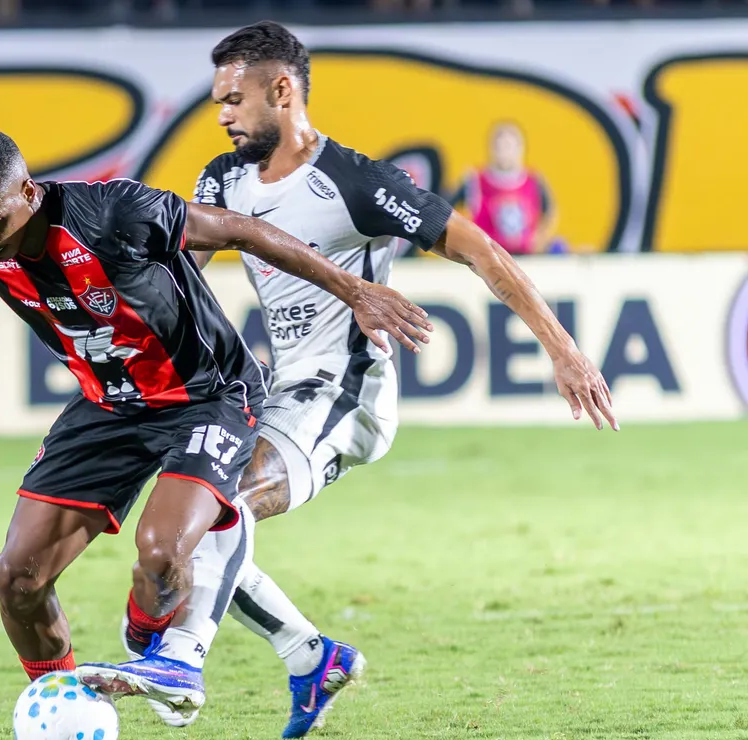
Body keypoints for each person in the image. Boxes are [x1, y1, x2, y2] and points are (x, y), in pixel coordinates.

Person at [75, 21, 618, 738]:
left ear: (282, 90)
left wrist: (564, 350)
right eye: (216, 104)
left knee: (220, 500)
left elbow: (480, 249)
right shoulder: (222, 179)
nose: (224, 115)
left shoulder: (356, 182)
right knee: (196, 520)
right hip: (277, 390)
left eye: (233, 100)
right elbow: (183, 284)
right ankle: (311, 657)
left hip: (346, 395)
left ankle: (181, 662)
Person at [0, 129, 433, 687]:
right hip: (109, 408)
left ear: (28, 191)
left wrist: (353, 289)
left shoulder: (113, 213)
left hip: (207, 396)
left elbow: (241, 229)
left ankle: (147, 638)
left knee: (161, 550)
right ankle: (63, 704)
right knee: (17, 577)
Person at [454, 121, 560, 255]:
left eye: (509, 146)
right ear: (491, 148)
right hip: (489, 258)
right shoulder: (474, 180)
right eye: (500, 146)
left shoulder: (534, 180)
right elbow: (448, 210)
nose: (505, 152)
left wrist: (539, 239)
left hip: (527, 257)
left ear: (521, 148)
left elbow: (550, 213)